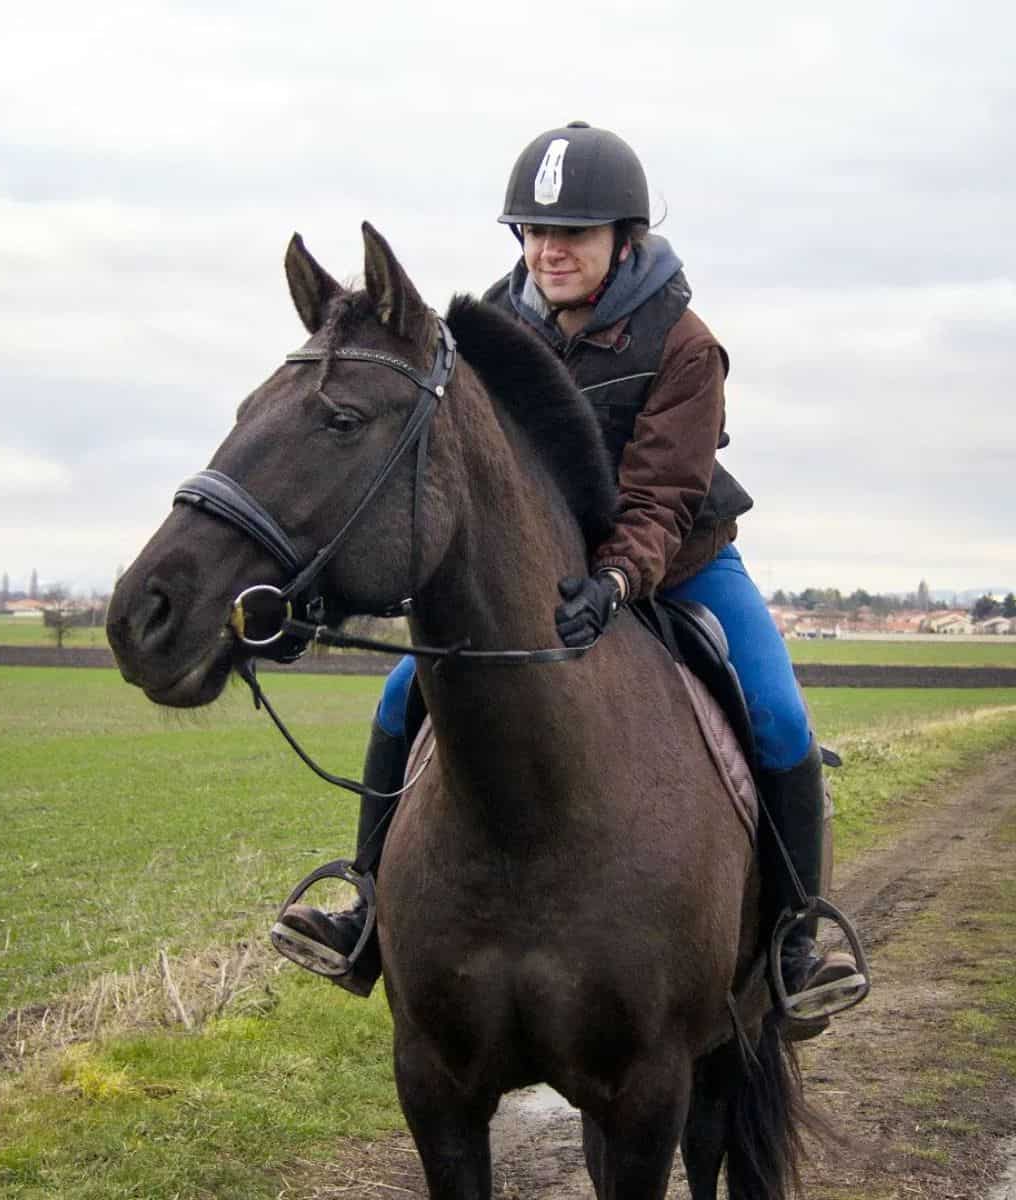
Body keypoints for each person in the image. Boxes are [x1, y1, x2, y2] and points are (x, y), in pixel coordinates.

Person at [274, 120, 861, 1032]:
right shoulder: (492, 330)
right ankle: (366, 914)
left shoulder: (685, 343)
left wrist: (620, 579)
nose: (549, 252)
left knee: (780, 714)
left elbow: (665, 497)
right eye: (535, 233)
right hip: (543, 576)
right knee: (400, 698)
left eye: (573, 235)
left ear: (623, 239)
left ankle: (795, 941)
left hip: (680, 565)